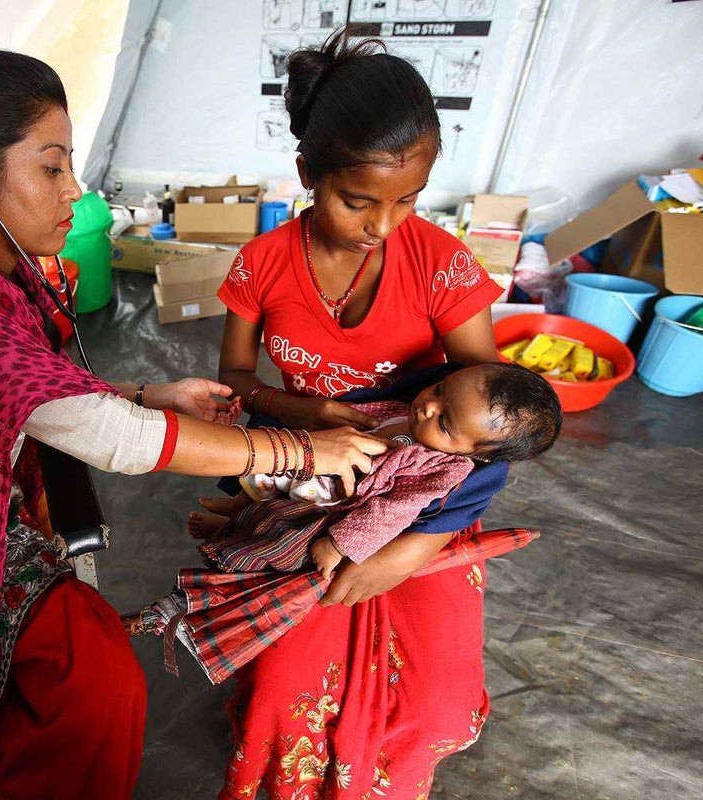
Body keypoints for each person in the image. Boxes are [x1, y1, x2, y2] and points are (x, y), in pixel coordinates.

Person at [0, 50, 384, 800]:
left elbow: (21, 393)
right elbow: (109, 437)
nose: (76, 190)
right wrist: (299, 449)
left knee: (92, 676)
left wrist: (150, 390)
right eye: (51, 168)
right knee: (94, 684)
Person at [208, 32, 514, 799]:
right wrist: (308, 411)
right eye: (358, 201)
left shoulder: (441, 265)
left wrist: (413, 548)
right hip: (307, 486)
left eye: (408, 200)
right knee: (287, 689)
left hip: (427, 497)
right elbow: (235, 380)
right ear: (309, 173)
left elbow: (495, 425)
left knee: (435, 690)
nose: (385, 226)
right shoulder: (262, 265)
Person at [191, 363, 561, 580]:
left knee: (284, 534)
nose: (427, 409)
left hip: (339, 504)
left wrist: (340, 545)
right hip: (319, 465)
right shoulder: (405, 410)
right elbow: (363, 417)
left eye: (445, 423)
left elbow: (391, 511)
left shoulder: (442, 471)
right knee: (269, 473)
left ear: (475, 456)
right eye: (439, 390)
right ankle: (233, 510)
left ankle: (228, 535)